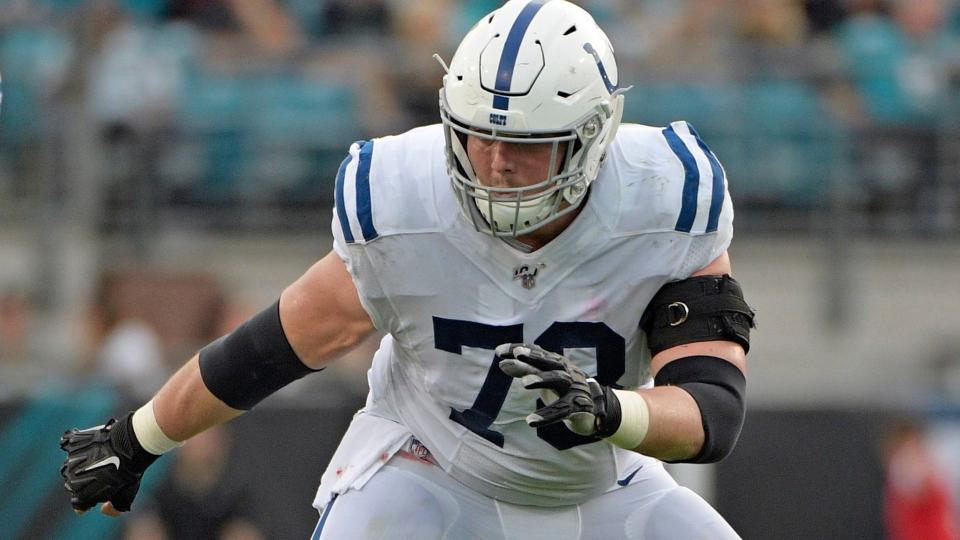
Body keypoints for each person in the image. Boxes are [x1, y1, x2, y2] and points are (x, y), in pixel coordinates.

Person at [59, 1, 755, 538]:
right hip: (430, 471)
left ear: (594, 137)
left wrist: (614, 410)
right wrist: (139, 437)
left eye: (525, 147)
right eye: (478, 137)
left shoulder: (665, 199)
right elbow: (273, 347)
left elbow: (712, 410)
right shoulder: (404, 197)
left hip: (601, 486)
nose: (493, 166)